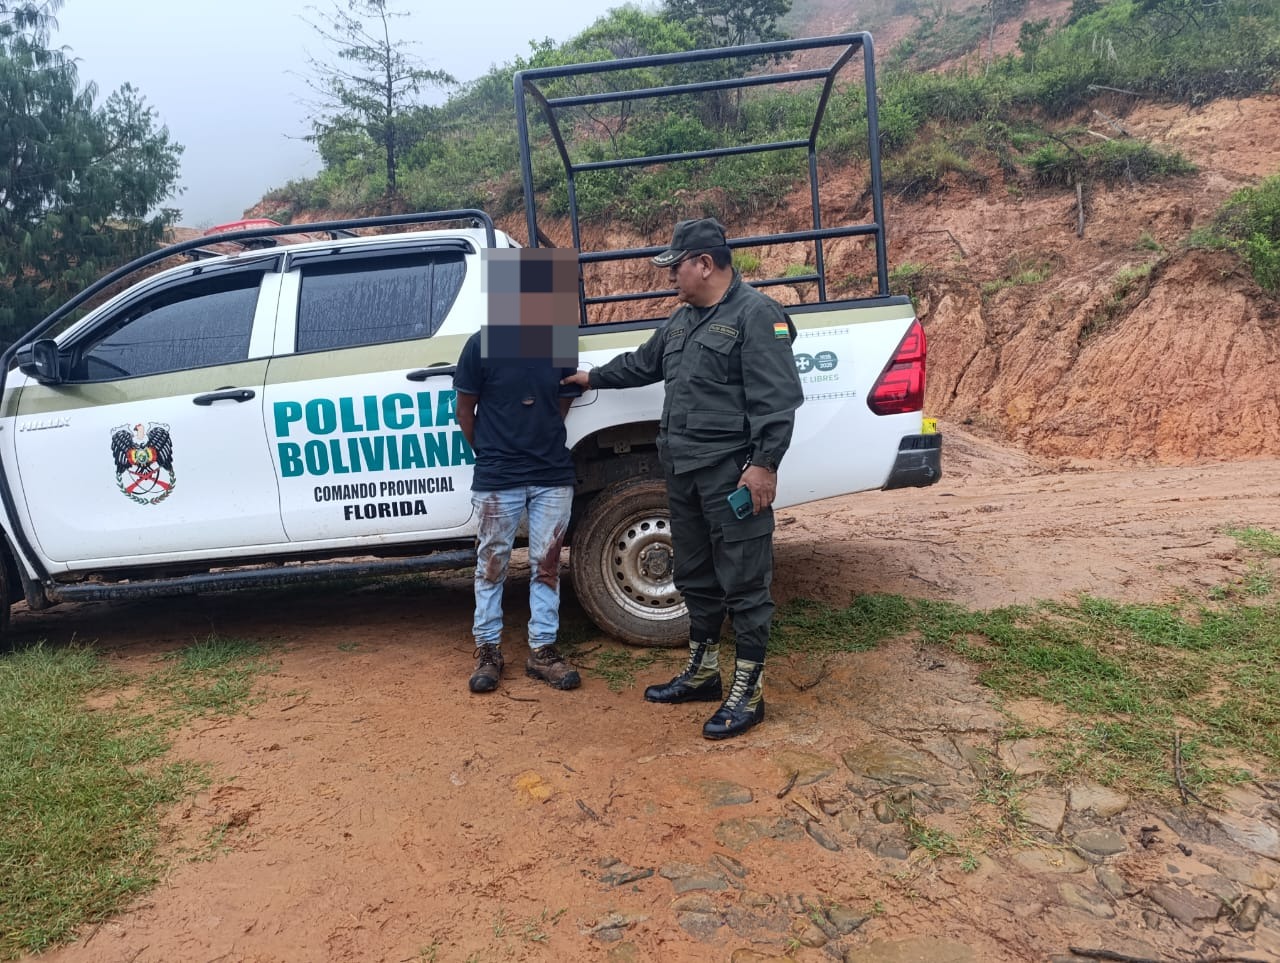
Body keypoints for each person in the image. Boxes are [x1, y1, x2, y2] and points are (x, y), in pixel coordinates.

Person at [562, 218, 803, 738]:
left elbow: (777, 401)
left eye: (676, 266)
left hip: (731, 477)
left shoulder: (756, 316)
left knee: (744, 582)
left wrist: (763, 466)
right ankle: (703, 672)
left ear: (705, 264)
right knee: (694, 575)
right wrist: (590, 377)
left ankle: (750, 690)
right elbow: (642, 365)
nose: (672, 275)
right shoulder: (682, 320)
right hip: (684, 473)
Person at [454, 250, 584, 694]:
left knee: (546, 565)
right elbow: (464, 411)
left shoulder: (558, 341)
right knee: (491, 565)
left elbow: (564, 396)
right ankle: (488, 650)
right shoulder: (480, 345)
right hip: (498, 476)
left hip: (551, 473)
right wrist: (492, 452)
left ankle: (542, 650)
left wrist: (541, 433)